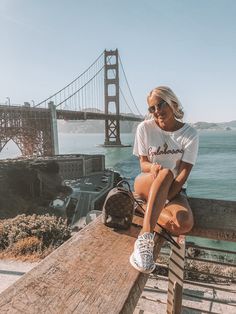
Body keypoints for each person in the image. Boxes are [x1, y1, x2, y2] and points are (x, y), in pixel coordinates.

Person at [129, 86, 199, 274]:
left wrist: (165, 197)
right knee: (166, 173)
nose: (157, 111)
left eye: (161, 105)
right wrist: (154, 168)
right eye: (152, 108)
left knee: (183, 224)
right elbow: (143, 164)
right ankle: (144, 240)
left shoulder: (190, 134)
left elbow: (183, 174)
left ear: (172, 103)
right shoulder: (144, 128)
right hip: (146, 181)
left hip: (175, 189)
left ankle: (144, 207)